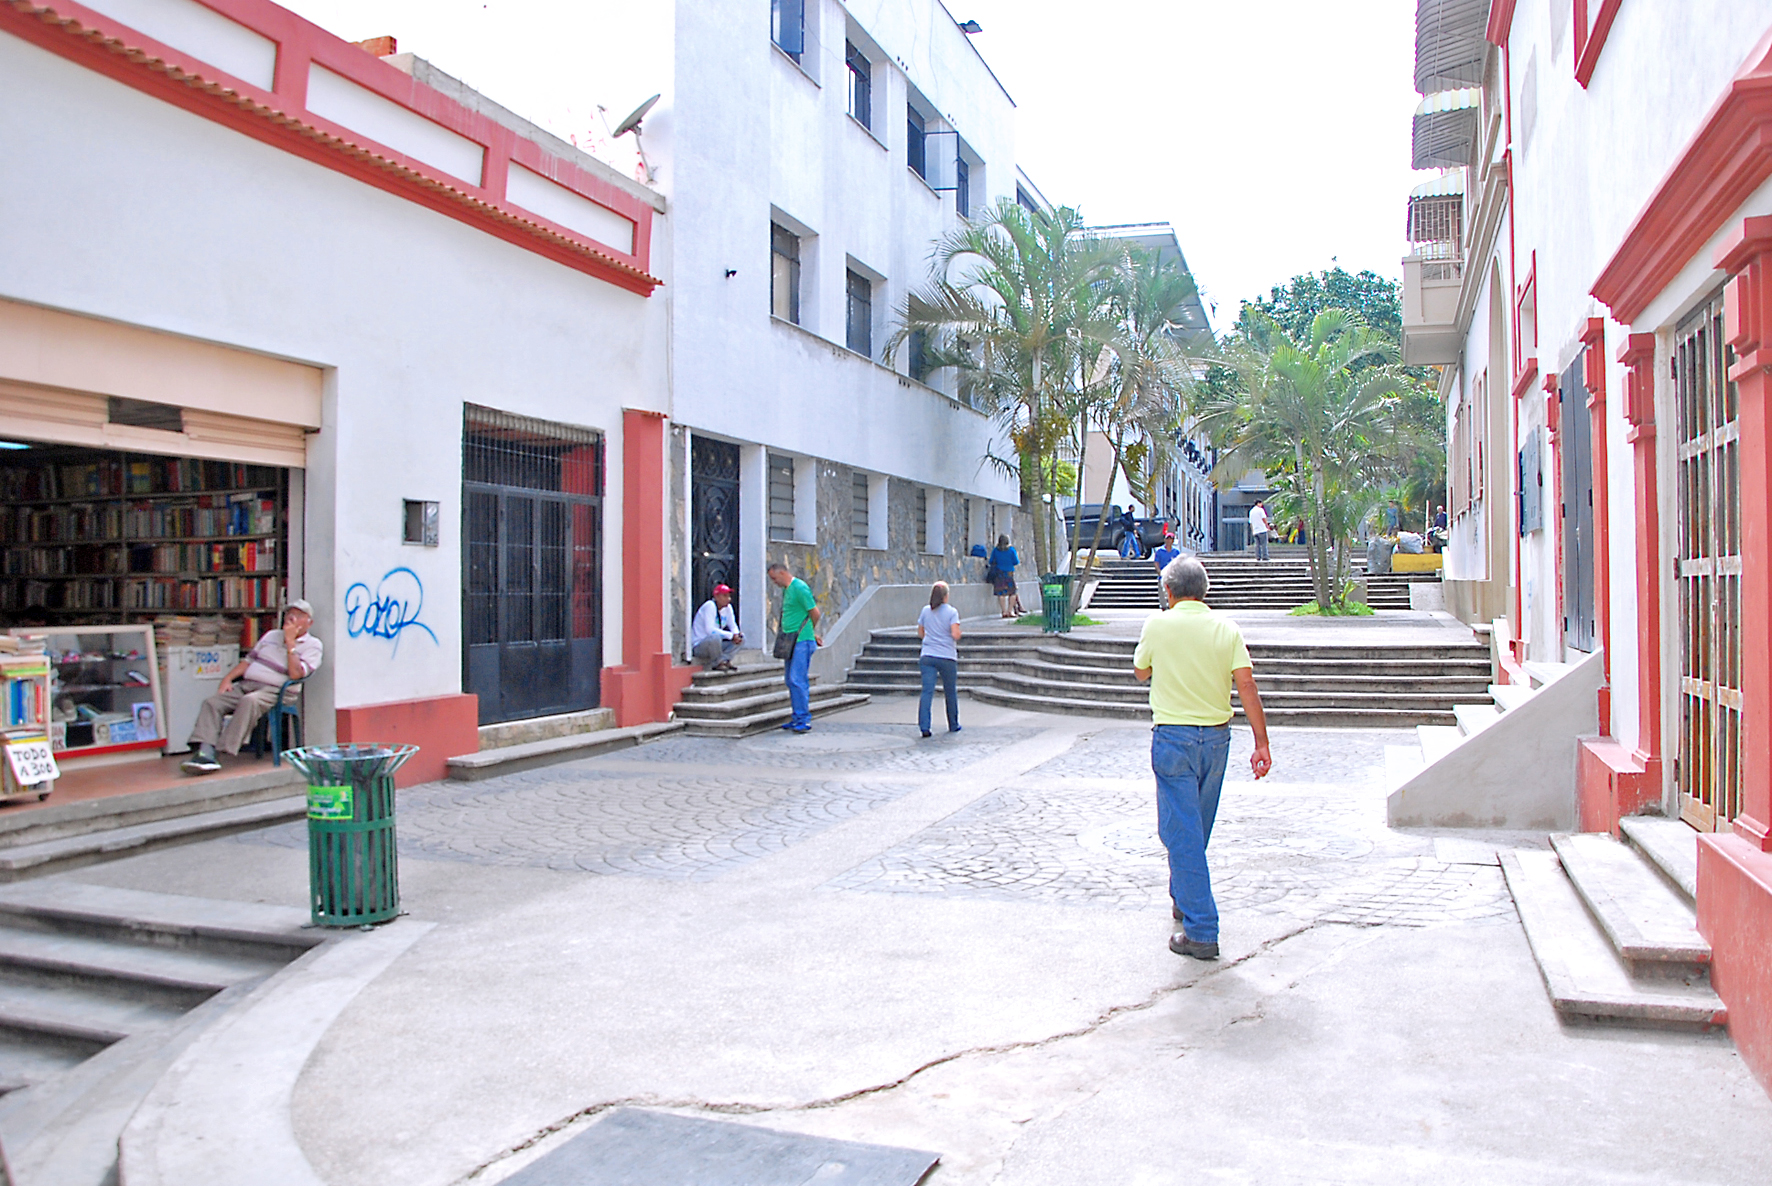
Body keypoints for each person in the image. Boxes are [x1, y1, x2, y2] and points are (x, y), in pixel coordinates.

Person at [1133, 557, 1272, 960]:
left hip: (1173, 738)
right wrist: (1261, 742)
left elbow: (1141, 671)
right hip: (1216, 740)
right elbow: (1246, 683)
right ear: (1204, 591)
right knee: (1195, 827)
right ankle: (1184, 896)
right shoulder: (1226, 628)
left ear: (1170, 592)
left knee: (1182, 832)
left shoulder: (1158, 624)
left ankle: (1202, 931)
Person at [181, 600, 321, 774]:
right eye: (289, 614)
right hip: (248, 684)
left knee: (250, 701)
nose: (292, 618)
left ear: (309, 623)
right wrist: (228, 678)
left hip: (277, 691)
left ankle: (217, 752)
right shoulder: (270, 635)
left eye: (299, 616)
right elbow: (248, 661)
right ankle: (205, 748)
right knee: (212, 702)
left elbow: (295, 674)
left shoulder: (313, 645)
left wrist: (290, 643)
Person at [768, 561, 820, 733]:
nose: (774, 582)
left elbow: (814, 612)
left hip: (801, 641)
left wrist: (810, 632)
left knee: (798, 679)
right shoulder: (787, 590)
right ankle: (797, 716)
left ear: (782, 573)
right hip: (791, 640)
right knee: (791, 679)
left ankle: (804, 719)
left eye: (774, 578)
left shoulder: (799, 588)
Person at [916, 580, 963, 738]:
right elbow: (955, 634)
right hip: (947, 656)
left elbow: (921, 633)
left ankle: (924, 726)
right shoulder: (951, 612)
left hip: (928, 655)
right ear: (946, 596)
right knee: (950, 691)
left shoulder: (925, 611)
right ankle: (953, 724)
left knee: (927, 691)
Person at [690, 584, 743, 671]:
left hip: (717, 644)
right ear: (716, 596)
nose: (728, 599)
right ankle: (717, 663)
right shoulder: (709, 606)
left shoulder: (728, 608)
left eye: (729, 596)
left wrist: (736, 635)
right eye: (725, 596)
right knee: (715, 638)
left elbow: (733, 625)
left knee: (742, 639)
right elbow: (710, 630)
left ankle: (725, 660)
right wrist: (730, 635)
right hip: (701, 645)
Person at [988, 535, 1020, 618]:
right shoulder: (1011, 550)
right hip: (1009, 573)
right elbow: (1016, 562)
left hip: (999, 573)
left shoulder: (996, 550)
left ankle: (1004, 611)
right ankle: (1010, 611)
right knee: (1012, 592)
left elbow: (991, 561)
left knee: (1001, 593)